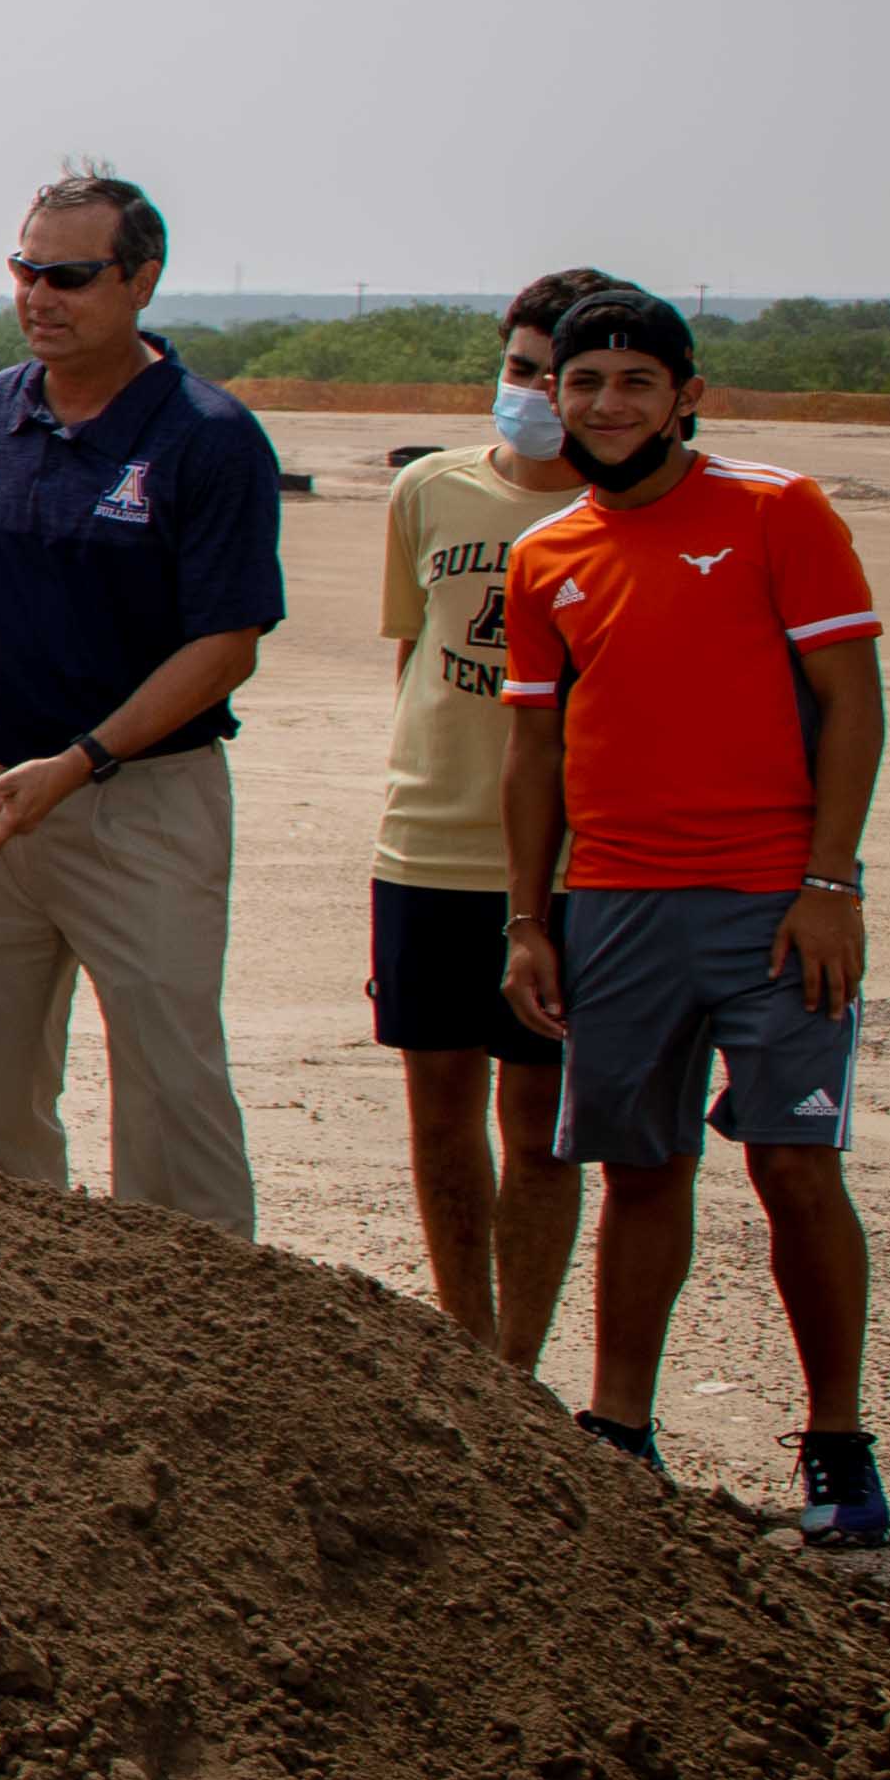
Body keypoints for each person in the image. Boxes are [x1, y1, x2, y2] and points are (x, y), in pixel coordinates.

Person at [499, 285, 890, 1541]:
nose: (606, 404)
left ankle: (834, 1445)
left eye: (632, 382)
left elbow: (852, 702)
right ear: (552, 396)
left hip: (775, 901)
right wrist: (526, 919)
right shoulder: (542, 553)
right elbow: (532, 755)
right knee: (640, 1165)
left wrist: (829, 882)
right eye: (583, 382)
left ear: (685, 394)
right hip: (612, 899)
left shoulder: (778, 511)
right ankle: (619, 1429)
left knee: (791, 1163)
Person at [0, 166, 288, 1231]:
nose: (37, 295)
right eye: (24, 269)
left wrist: (76, 765)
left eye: (68, 275)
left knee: (169, 1085)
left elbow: (224, 645)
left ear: (141, 279)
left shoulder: (206, 437)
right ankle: (22, 1314)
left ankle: (200, 1331)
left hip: (134, 799)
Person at [374, 267, 616, 1361]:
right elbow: (411, 654)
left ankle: (518, 1358)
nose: (527, 392)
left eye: (549, 375)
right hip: (426, 845)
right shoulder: (428, 489)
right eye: (515, 367)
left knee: (537, 1120)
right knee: (436, 1105)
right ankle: (463, 1344)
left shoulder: (614, 513)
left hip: (566, 865)